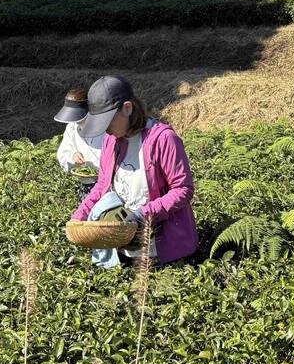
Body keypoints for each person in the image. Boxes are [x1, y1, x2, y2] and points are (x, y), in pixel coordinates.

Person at [71, 75, 198, 268]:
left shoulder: (163, 139)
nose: (105, 130)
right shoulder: (111, 140)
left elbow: (183, 190)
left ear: (127, 108)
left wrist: (142, 214)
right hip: (125, 247)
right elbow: (102, 185)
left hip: (161, 250)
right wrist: (79, 217)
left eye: (107, 122)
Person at [53, 88, 104, 185]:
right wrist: (72, 156)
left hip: (105, 181)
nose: (76, 121)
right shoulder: (72, 127)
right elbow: (63, 153)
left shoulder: (104, 128)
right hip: (84, 182)